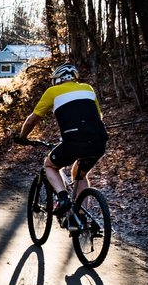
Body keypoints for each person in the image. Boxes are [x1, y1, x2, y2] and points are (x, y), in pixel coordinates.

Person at [15, 63, 108, 226]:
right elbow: (98, 116)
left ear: (57, 80)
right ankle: (79, 218)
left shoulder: (53, 91)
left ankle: (63, 198)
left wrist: (22, 137)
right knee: (79, 173)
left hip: (74, 142)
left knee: (49, 165)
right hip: (98, 141)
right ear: (74, 78)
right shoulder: (88, 89)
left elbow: (32, 120)